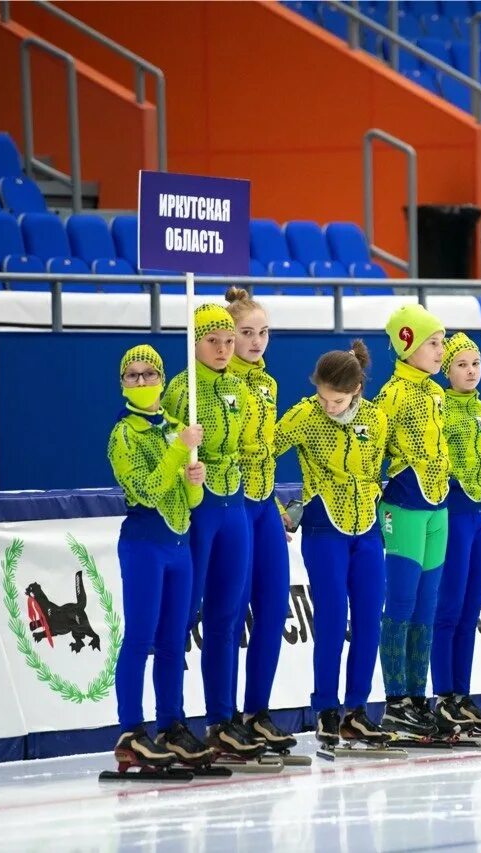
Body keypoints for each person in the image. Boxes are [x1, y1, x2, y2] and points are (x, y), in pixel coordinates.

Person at [273, 342, 391, 746]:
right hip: (325, 528)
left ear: (357, 388)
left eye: (336, 399)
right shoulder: (305, 415)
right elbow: (261, 454)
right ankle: (326, 707)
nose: (328, 406)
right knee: (330, 619)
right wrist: (278, 508)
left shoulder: (377, 419)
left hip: (369, 529)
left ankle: (356, 711)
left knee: (368, 621)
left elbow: (379, 469)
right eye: (323, 397)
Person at [162, 304, 263, 758]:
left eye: (228, 341)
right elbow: (161, 448)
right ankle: (170, 722)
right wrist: (183, 461)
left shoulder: (240, 387)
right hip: (199, 510)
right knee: (183, 617)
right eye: (213, 341)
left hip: (235, 504)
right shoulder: (182, 390)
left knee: (226, 618)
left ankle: (221, 720)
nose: (223, 349)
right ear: (194, 343)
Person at [104, 345, 212, 769]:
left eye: (150, 373)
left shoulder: (174, 425)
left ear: (162, 378)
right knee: (140, 637)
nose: (144, 381)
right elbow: (146, 490)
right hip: (145, 543)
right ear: (123, 383)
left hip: (179, 544)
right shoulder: (123, 433)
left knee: (173, 640)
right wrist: (176, 453)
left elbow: (187, 497)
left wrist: (195, 480)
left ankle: (171, 724)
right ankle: (131, 731)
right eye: (134, 375)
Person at [223, 287, 297, 753]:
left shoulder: (268, 384)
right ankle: (223, 717)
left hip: (264, 506)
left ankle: (258, 712)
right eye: (246, 333)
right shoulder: (216, 383)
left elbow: (267, 451)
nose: (255, 341)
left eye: (263, 332)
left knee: (273, 611)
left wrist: (273, 509)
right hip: (229, 507)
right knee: (229, 616)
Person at [374, 304, 451, 736]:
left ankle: (417, 698)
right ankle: (394, 700)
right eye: (433, 343)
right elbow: (373, 451)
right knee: (401, 605)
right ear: (408, 345)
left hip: (437, 508)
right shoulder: (392, 395)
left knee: (426, 606)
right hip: (404, 506)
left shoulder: (436, 392)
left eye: (441, 342)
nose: (441, 351)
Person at [430, 333, 481, 731]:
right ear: (447, 369)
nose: (470, 371)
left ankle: (463, 693)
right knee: (449, 608)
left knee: (472, 609)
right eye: (461, 365)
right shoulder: (439, 409)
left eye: (475, 364)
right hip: (453, 512)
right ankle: (444, 696)